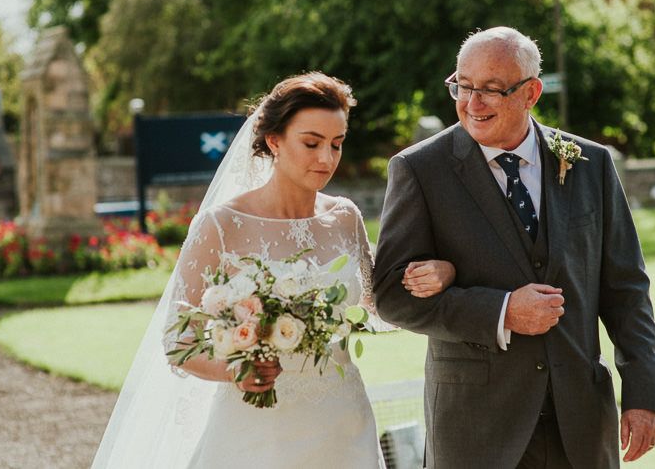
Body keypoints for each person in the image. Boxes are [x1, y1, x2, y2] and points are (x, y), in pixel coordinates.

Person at [92, 71, 454, 469]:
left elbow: (375, 309)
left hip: (341, 422)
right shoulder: (222, 225)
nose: (326, 158)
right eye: (312, 143)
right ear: (274, 140)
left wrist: (436, 279)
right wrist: (235, 371)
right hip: (256, 429)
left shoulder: (345, 217)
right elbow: (178, 339)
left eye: (336, 144)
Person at [372, 28, 655, 469]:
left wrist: (643, 394)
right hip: (476, 429)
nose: (472, 103)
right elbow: (392, 297)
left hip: (580, 424)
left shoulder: (591, 164)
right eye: (463, 86)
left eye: (491, 89)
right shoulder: (419, 169)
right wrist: (503, 311)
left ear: (531, 93)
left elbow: (626, 289)